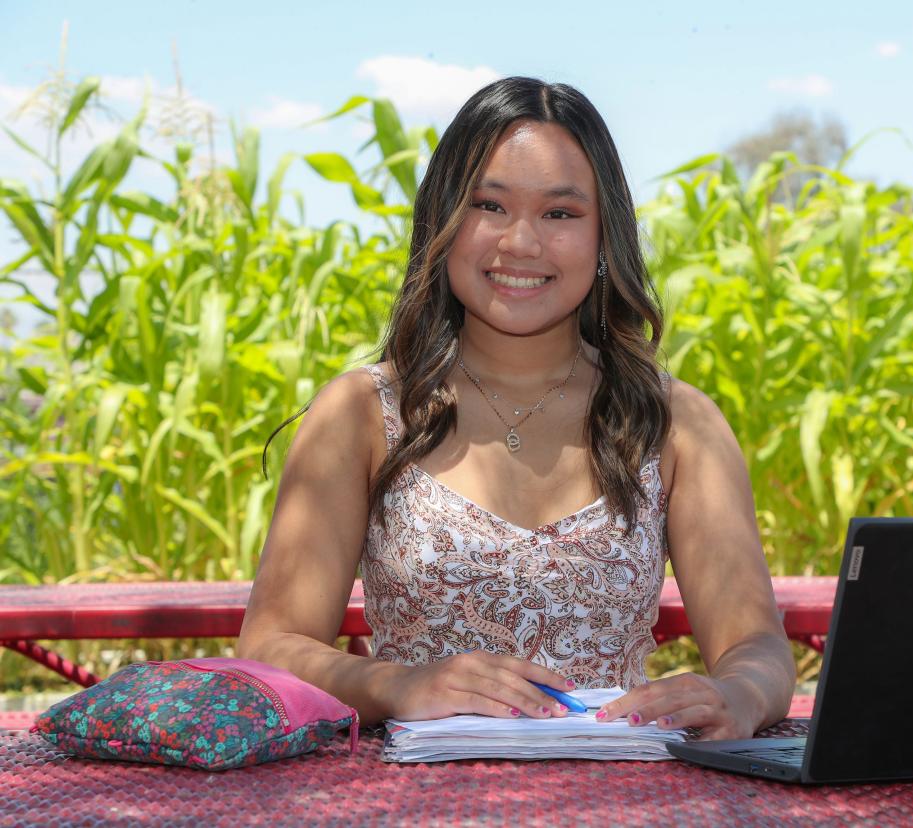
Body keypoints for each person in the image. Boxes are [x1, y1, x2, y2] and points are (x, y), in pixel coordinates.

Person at [237, 77, 795, 740]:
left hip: (625, 799)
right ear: (443, 220)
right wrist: (397, 684)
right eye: (489, 206)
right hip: (407, 804)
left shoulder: (675, 425)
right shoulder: (362, 414)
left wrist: (738, 695)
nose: (521, 242)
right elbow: (270, 647)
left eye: (560, 214)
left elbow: (758, 648)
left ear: (603, 236)